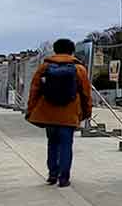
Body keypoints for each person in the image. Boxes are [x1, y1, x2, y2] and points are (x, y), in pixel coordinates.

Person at [25, 38, 91, 187]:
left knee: (52, 144)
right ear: (72, 51)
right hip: (70, 113)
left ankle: (52, 175)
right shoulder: (79, 69)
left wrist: (31, 110)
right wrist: (86, 112)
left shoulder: (45, 67)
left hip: (49, 113)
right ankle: (64, 178)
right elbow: (86, 93)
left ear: (55, 50)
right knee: (66, 145)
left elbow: (34, 90)